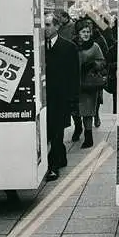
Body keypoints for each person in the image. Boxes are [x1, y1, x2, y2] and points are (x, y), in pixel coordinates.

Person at [44, 12, 80, 181]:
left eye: (48, 25)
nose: (45, 28)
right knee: (51, 132)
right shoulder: (39, 47)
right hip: (45, 98)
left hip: (61, 98)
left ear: (57, 26)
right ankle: (62, 157)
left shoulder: (68, 47)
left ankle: (53, 167)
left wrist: (73, 100)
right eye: (43, 24)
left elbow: (74, 75)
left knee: (57, 132)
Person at [73, 17, 105, 148]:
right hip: (74, 84)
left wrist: (93, 64)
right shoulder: (72, 45)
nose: (86, 34)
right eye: (83, 32)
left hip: (89, 85)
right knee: (74, 111)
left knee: (87, 111)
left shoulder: (95, 46)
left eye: (88, 31)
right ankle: (77, 128)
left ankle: (88, 137)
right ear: (78, 33)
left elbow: (103, 62)